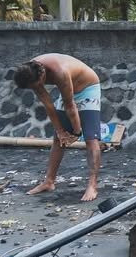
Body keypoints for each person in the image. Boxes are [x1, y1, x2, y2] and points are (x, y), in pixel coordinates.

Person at [13, 54, 103, 202]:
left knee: (91, 138)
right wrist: (61, 131)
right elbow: (48, 105)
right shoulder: (30, 71)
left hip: (88, 87)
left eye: (36, 85)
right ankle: (49, 181)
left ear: (42, 75)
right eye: (33, 88)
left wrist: (76, 131)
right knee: (58, 139)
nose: (37, 88)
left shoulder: (60, 72)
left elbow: (70, 106)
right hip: (69, 91)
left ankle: (92, 185)